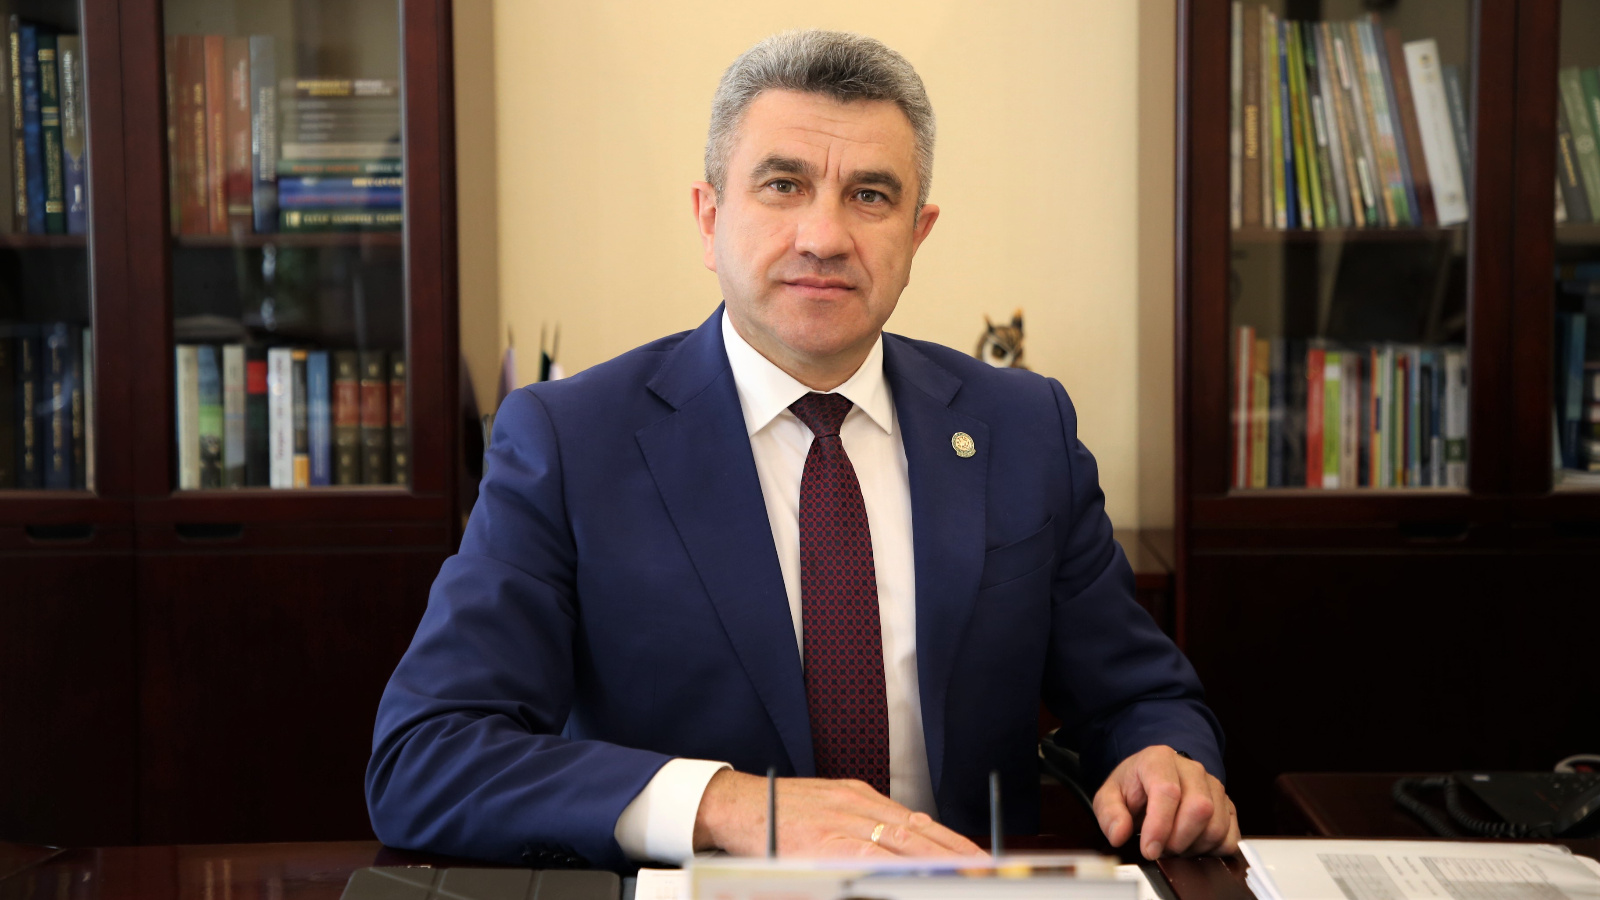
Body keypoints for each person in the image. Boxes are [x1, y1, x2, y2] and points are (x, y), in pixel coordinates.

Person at [366, 29, 1238, 871]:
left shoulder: (1023, 426)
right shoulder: (569, 442)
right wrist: (733, 808)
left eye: (871, 195)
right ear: (709, 217)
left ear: (917, 234)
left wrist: (1163, 763)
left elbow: (1141, 697)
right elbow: (427, 754)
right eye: (783, 185)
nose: (824, 237)